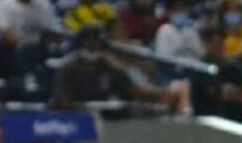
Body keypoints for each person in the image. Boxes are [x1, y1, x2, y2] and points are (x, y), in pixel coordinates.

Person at [52, 25, 181, 111]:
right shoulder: (68, 67)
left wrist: (162, 95)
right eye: (89, 43)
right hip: (74, 124)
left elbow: (133, 91)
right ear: (81, 44)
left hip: (104, 122)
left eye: (97, 43)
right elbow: (63, 103)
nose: (93, 46)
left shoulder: (108, 65)